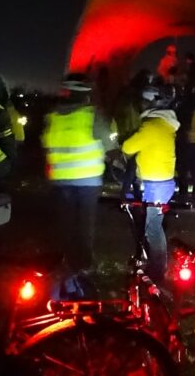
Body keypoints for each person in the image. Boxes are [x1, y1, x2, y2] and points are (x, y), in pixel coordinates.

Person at [42, 74, 113, 278]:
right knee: (85, 224)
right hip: (87, 180)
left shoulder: (52, 116)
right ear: (85, 94)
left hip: (60, 179)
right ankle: (83, 264)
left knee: (65, 223)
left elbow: (46, 144)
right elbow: (109, 146)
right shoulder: (92, 115)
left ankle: (63, 261)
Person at [121, 86, 180, 284]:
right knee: (154, 226)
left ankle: (158, 271)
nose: (141, 106)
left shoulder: (152, 125)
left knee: (153, 229)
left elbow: (128, 147)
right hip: (161, 181)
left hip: (156, 184)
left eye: (144, 102)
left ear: (151, 103)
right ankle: (155, 265)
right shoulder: (164, 124)